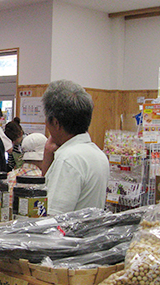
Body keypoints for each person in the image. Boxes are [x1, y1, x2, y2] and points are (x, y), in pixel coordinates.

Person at [41, 79, 109, 215]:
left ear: (55, 122)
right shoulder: (98, 153)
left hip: (67, 235)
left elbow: (52, 217)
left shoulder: (68, 159)